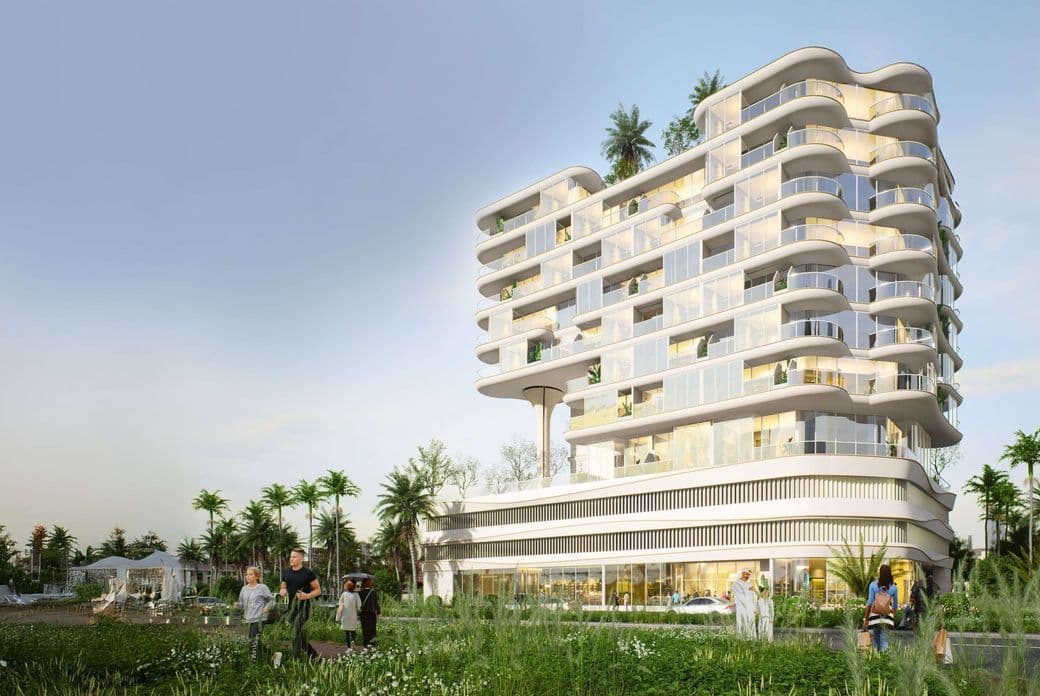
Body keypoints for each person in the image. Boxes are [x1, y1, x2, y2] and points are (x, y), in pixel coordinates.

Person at [279, 548, 321, 657]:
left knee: (296, 634)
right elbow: (282, 588)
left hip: (304, 609)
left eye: (294, 557)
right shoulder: (286, 572)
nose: (291, 559)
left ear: (301, 559)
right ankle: (313, 656)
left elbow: (318, 590)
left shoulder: (308, 573)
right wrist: (282, 591)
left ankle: (295, 658)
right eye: (291, 557)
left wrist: (307, 596)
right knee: (298, 636)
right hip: (291, 609)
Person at [235, 566, 273, 660]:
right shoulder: (244, 589)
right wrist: (238, 605)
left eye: (250, 574)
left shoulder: (262, 588)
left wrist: (267, 607)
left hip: (259, 618)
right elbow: (242, 604)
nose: (248, 576)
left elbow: (272, 600)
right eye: (247, 574)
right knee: (253, 641)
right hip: (248, 619)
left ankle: (255, 662)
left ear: (257, 576)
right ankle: (273, 655)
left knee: (254, 641)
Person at [864, 564, 899, 651]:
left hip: (874, 616)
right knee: (885, 640)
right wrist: (892, 615)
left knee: (875, 640)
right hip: (887, 617)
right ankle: (884, 658)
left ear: (880, 573)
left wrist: (866, 618)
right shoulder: (894, 587)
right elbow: (895, 606)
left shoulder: (873, 585)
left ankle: (876, 657)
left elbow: (870, 603)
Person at [335, 579, 361, 647]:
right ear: (354, 587)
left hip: (345, 615)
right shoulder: (356, 595)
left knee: (346, 632)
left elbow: (340, 603)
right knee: (353, 630)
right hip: (353, 616)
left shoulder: (344, 594)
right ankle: (353, 640)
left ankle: (348, 646)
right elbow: (359, 606)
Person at [732, 568, 757, 638]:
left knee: (751, 623)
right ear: (742, 574)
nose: (747, 576)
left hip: (750, 608)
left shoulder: (749, 584)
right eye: (745, 574)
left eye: (748, 575)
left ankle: (751, 639)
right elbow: (739, 595)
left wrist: (755, 608)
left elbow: (753, 597)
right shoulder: (736, 584)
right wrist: (748, 590)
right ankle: (742, 639)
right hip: (742, 607)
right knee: (743, 622)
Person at [358, 577, 381, 647]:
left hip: (363, 613)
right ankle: (373, 643)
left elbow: (359, 603)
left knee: (365, 629)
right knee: (372, 629)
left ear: (363, 583)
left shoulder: (360, 592)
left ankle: (366, 644)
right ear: (370, 584)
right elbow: (376, 603)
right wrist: (378, 611)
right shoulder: (373, 592)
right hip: (371, 613)